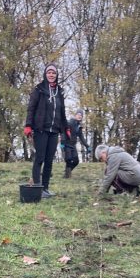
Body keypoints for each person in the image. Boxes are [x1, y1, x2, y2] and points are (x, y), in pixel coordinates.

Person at [25, 64, 69, 198]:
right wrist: (28, 125)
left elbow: (62, 112)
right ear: (45, 74)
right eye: (49, 72)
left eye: (53, 73)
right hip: (41, 129)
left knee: (49, 160)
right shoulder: (39, 89)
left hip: (54, 130)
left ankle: (45, 188)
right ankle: (38, 188)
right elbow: (31, 108)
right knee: (40, 158)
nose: (51, 75)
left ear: (56, 75)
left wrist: (66, 127)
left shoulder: (59, 92)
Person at [63, 109, 90, 178]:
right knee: (68, 159)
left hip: (73, 145)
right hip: (67, 144)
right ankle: (67, 175)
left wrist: (87, 146)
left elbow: (81, 137)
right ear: (75, 115)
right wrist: (62, 143)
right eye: (78, 114)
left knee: (76, 161)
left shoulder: (79, 126)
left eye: (81, 115)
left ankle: (67, 172)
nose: (80, 116)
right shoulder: (70, 122)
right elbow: (64, 132)